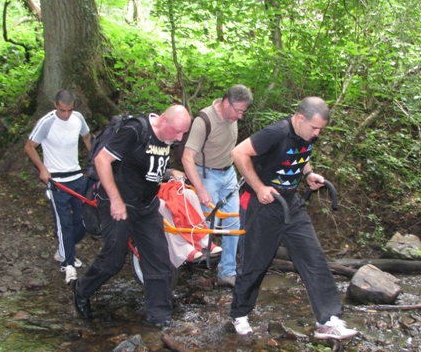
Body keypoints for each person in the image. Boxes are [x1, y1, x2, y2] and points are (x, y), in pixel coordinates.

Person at [229, 97, 358, 340]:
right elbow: (238, 153)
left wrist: (308, 173)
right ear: (300, 118)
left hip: (291, 205)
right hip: (261, 205)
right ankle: (239, 314)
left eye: (321, 129)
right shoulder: (276, 132)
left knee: (314, 257)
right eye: (314, 128)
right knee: (255, 263)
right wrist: (259, 187)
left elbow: (301, 152)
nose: (317, 133)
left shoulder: (306, 134)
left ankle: (327, 321)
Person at [72, 105, 192, 325]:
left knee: (158, 259)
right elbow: (102, 160)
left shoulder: (167, 136)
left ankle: (160, 316)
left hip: (147, 207)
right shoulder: (136, 130)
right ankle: (81, 290)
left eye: (184, 133)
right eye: (177, 132)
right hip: (120, 204)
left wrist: (169, 172)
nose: (179, 138)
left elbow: (144, 166)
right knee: (112, 261)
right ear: (164, 121)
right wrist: (116, 201)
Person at [181, 85, 253, 287]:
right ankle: (191, 266)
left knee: (233, 224)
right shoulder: (204, 120)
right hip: (206, 175)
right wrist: (201, 189)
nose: (240, 116)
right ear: (226, 102)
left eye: (243, 112)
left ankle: (227, 272)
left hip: (228, 174)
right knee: (204, 225)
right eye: (238, 110)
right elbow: (187, 158)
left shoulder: (232, 118)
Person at [25, 90, 91, 284]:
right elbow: (29, 146)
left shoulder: (78, 118)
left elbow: (87, 137)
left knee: (84, 220)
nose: (66, 115)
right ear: (55, 105)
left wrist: (96, 157)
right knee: (64, 223)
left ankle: (64, 250)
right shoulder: (47, 122)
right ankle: (68, 264)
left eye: (69, 110)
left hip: (77, 177)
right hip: (57, 181)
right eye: (63, 110)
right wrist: (42, 168)